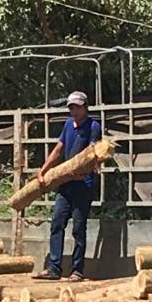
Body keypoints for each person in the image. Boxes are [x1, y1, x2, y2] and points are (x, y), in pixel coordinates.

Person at [32, 91, 102, 282]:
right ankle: (54, 267)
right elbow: (58, 149)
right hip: (65, 183)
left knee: (78, 228)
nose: (74, 110)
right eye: (71, 107)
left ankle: (77, 270)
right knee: (57, 224)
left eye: (77, 106)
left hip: (83, 185)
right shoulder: (67, 126)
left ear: (85, 107)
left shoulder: (93, 127)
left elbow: (93, 154)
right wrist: (43, 170)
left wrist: (84, 174)